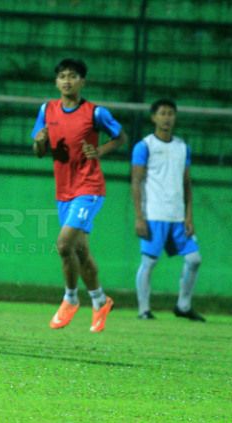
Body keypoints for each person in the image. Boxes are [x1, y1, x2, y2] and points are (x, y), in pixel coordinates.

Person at [31, 58, 126, 333]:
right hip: (64, 191)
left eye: (73, 76)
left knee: (63, 245)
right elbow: (38, 152)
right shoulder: (46, 110)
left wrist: (100, 151)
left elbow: (121, 137)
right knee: (81, 252)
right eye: (62, 76)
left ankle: (70, 299)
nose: (67, 81)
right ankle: (99, 300)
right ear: (56, 82)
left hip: (89, 188)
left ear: (82, 81)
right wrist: (40, 141)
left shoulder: (95, 113)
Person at [131, 99, 204, 322]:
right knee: (149, 262)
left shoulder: (183, 147)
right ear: (154, 117)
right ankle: (144, 310)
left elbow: (186, 184)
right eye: (162, 113)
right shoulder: (144, 146)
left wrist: (189, 216)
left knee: (194, 259)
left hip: (178, 217)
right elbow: (136, 182)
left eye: (171, 113)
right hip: (153, 214)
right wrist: (139, 217)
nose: (167, 117)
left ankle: (183, 305)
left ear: (175, 117)